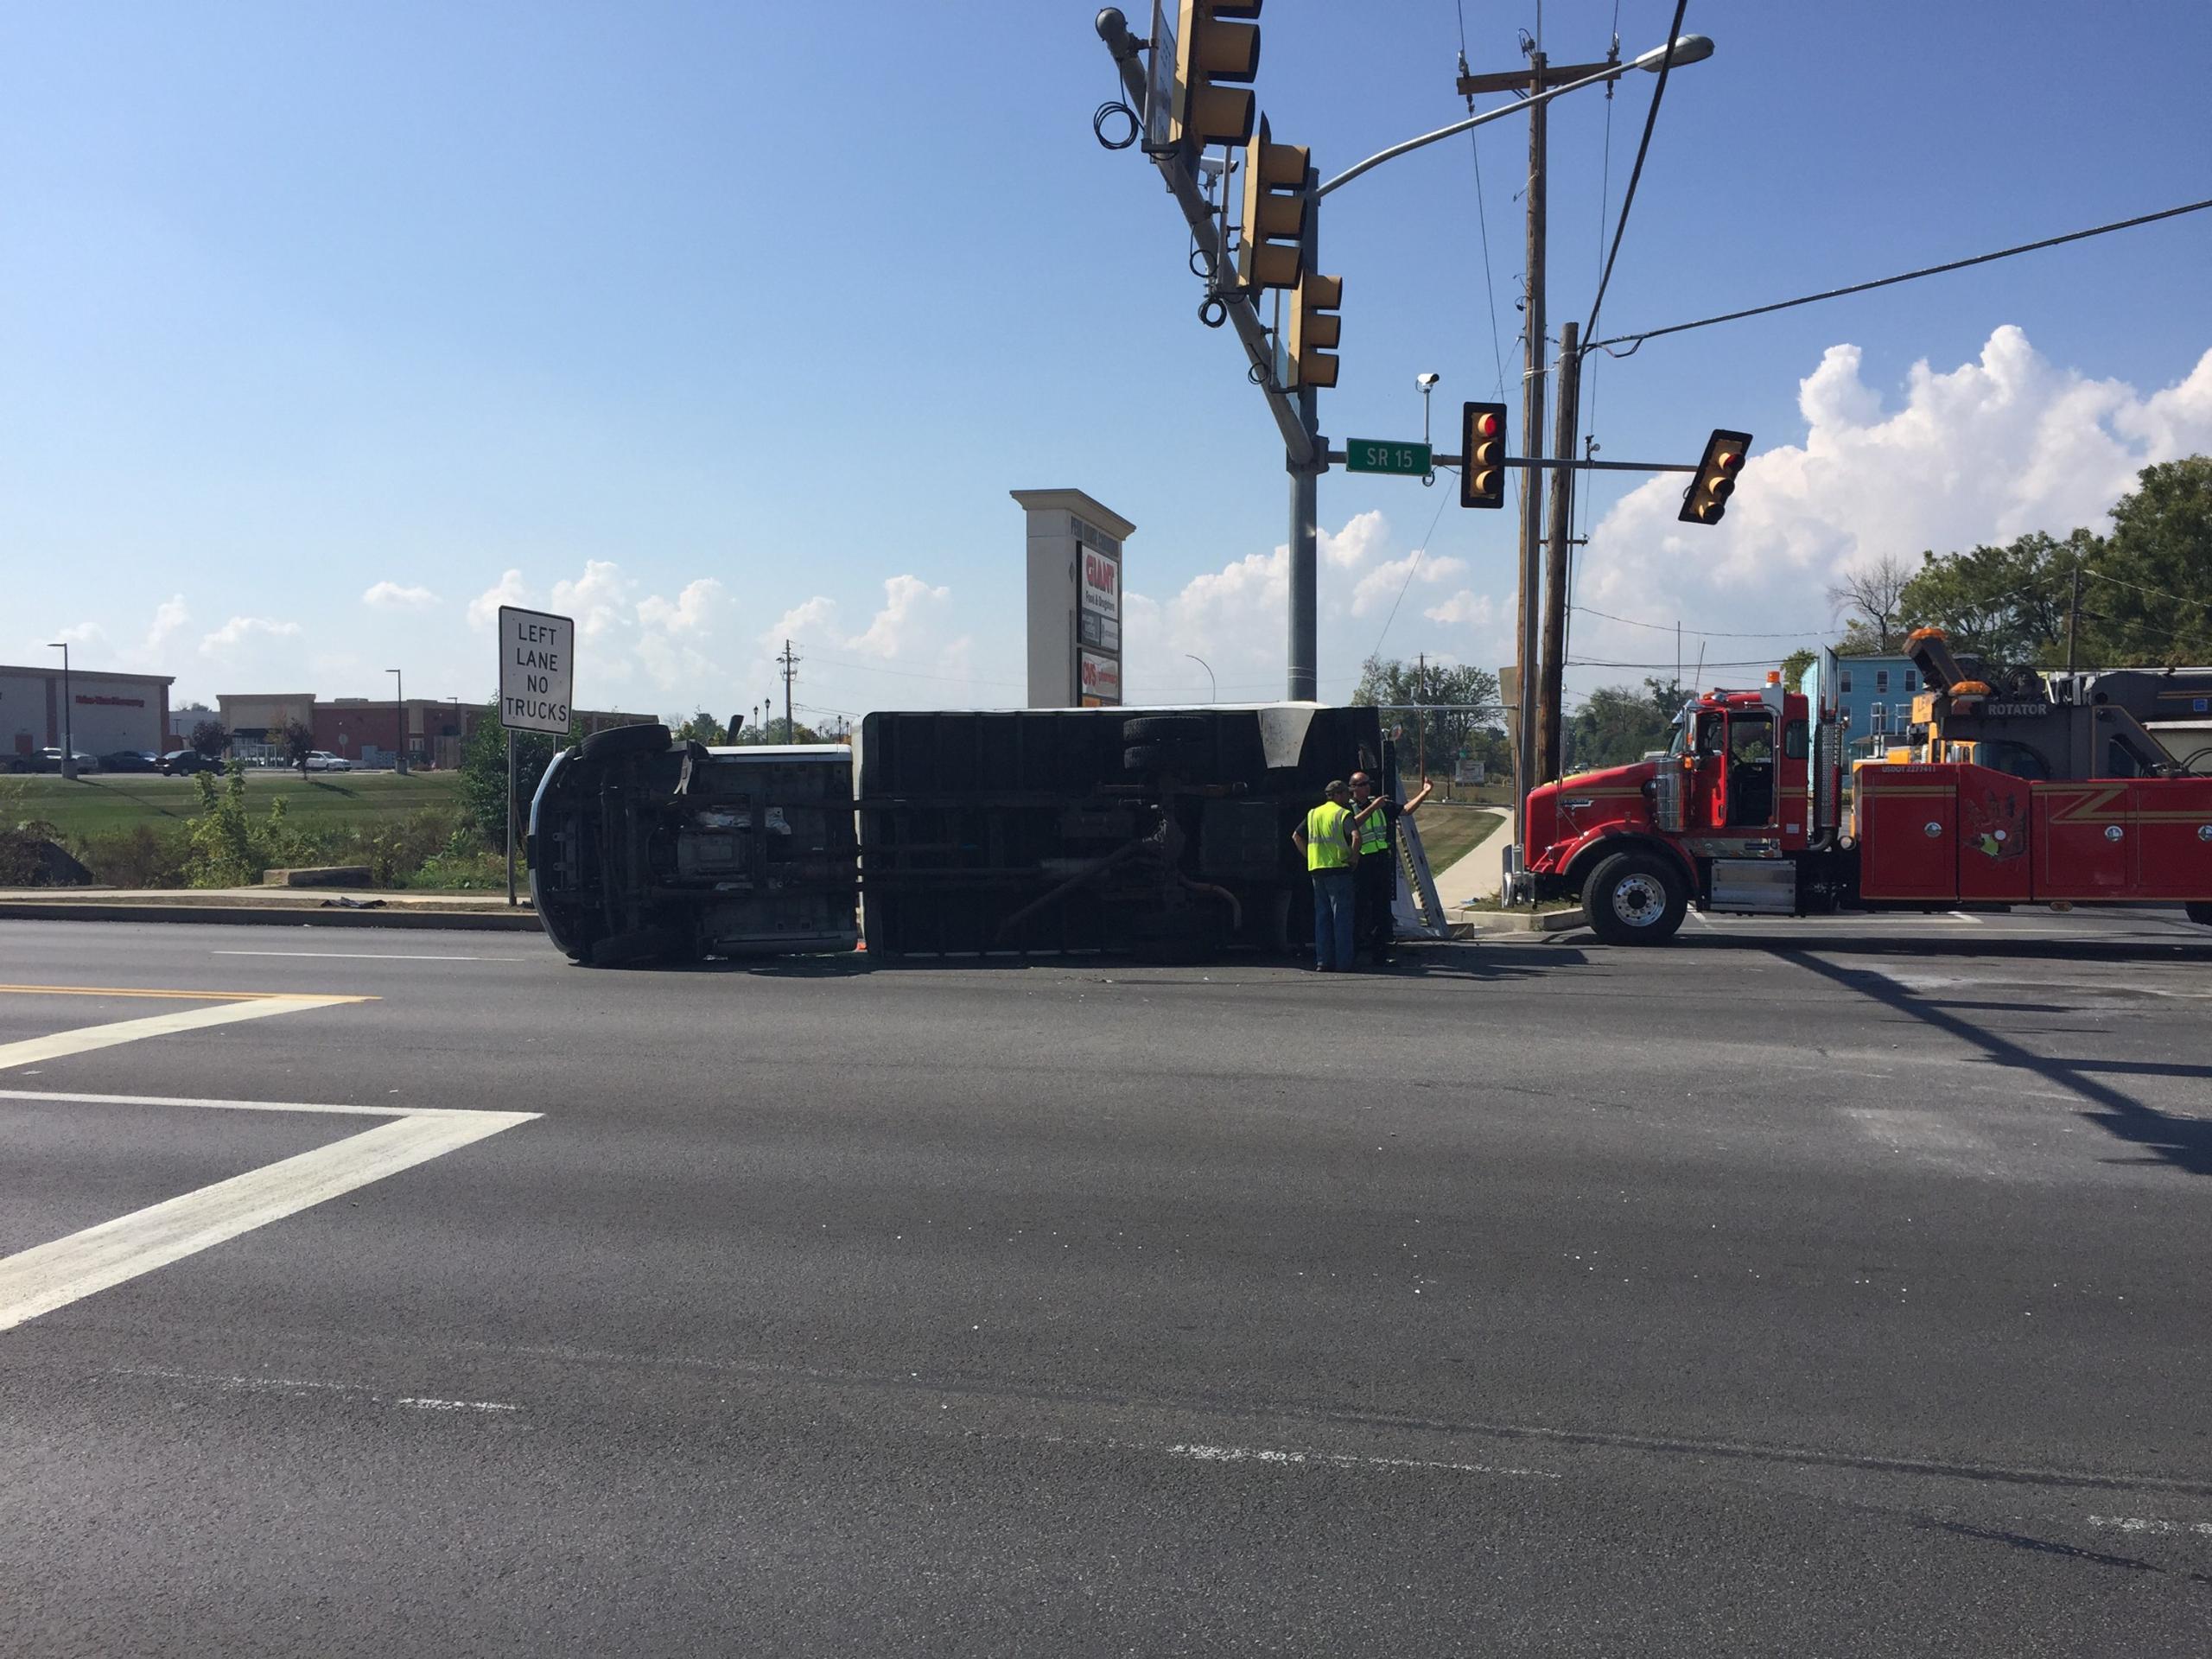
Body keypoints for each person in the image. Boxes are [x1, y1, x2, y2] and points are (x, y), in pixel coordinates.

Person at [1347, 768, 1434, 966]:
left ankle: (1380, 954)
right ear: (1352, 788)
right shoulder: (1348, 807)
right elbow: (1353, 824)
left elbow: (1405, 810)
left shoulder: (1380, 804)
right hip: (1360, 864)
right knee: (1358, 910)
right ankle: (1352, 953)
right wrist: (1373, 807)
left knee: (1381, 910)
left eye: (1368, 783)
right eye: (1362, 784)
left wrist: (1425, 792)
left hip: (1379, 862)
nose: (1367, 786)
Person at [1291, 779, 1357, 972]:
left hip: (1317, 869)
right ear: (1338, 795)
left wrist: (1309, 856)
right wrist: (1354, 857)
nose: (1348, 796)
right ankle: (1344, 963)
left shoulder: (1313, 813)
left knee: (1322, 917)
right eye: (1346, 793)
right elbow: (1355, 835)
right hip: (1338, 868)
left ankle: (1323, 961)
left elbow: (1296, 836)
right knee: (1342, 918)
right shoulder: (1342, 813)